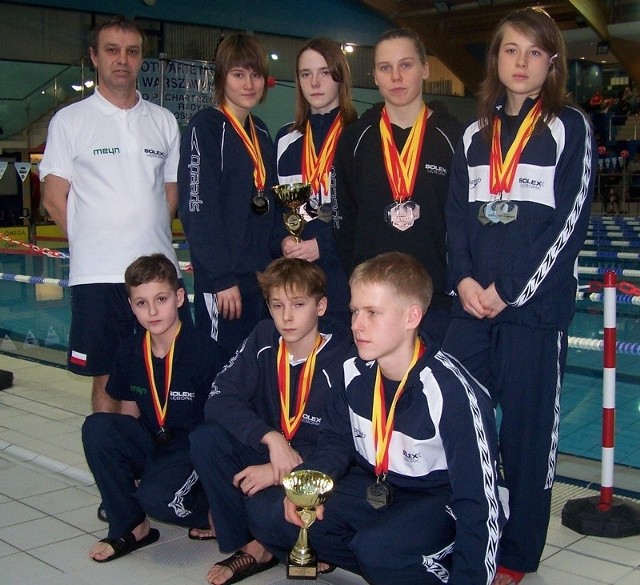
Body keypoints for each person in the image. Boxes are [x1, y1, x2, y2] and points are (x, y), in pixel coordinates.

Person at [441, 8, 596, 584]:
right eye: (511, 50)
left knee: (528, 437)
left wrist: (511, 293)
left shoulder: (569, 127)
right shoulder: (474, 133)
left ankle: (516, 554)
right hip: (471, 308)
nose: (522, 62)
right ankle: (457, 524)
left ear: (552, 61)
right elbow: (456, 215)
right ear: (496, 60)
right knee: (452, 413)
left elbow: (569, 221)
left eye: (535, 52)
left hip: (532, 313)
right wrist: (462, 280)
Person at [251, 252, 505, 585]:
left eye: (372, 313)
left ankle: (424, 562)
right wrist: (305, 488)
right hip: (380, 486)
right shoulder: (352, 373)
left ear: (411, 316)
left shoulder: (452, 392)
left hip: (441, 501)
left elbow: (479, 500)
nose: (356, 324)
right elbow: (335, 443)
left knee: (378, 550)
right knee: (271, 514)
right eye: (356, 311)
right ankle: (391, 559)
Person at [39, 15, 189, 414]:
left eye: (132, 51)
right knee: (107, 377)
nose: (122, 59)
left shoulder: (164, 121)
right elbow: (54, 198)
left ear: (141, 59)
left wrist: (144, 234)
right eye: (112, 50)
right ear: (94, 57)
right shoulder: (70, 121)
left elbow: (170, 193)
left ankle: (151, 469)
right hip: (98, 276)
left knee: (160, 374)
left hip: (158, 275)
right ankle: (113, 469)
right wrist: (95, 242)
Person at [190, 257, 352, 585]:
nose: (287, 316)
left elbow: (346, 442)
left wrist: (283, 471)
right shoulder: (264, 337)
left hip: (320, 464)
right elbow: (220, 399)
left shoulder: (344, 355)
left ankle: (280, 542)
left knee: (266, 511)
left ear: (321, 306)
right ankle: (249, 543)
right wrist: (270, 438)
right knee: (207, 439)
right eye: (277, 305)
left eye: (298, 304)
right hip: (273, 450)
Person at [82, 254, 228, 563]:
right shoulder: (130, 351)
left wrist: (219, 493)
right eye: (141, 303)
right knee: (98, 427)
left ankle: (217, 513)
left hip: (191, 452)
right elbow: (129, 411)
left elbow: (223, 430)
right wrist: (126, 465)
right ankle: (132, 527)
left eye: (160, 299)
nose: (152, 311)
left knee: (157, 499)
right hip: (154, 443)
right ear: (131, 305)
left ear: (177, 298)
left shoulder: (206, 353)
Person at [332, 28, 462, 345]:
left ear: (425, 68)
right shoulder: (355, 138)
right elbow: (342, 218)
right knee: (375, 392)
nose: (396, 77)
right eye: (385, 68)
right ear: (375, 76)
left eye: (406, 65)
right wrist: (359, 279)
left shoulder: (455, 137)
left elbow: (463, 220)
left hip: (435, 299)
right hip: (373, 299)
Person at [178, 33, 276, 357]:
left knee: (256, 369)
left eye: (255, 74)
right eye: (238, 74)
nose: (249, 84)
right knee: (220, 373)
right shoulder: (205, 127)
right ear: (222, 79)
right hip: (225, 285)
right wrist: (221, 278)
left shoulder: (261, 131)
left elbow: (270, 205)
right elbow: (196, 210)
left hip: (260, 282)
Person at [274, 38, 358, 327]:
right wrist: (283, 239)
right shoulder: (286, 140)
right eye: (305, 74)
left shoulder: (360, 136)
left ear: (340, 76)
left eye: (324, 72)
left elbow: (365, 215)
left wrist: (322, 246)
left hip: (344, 284)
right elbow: (282, 209)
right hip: (297, 286)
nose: (315, 82)